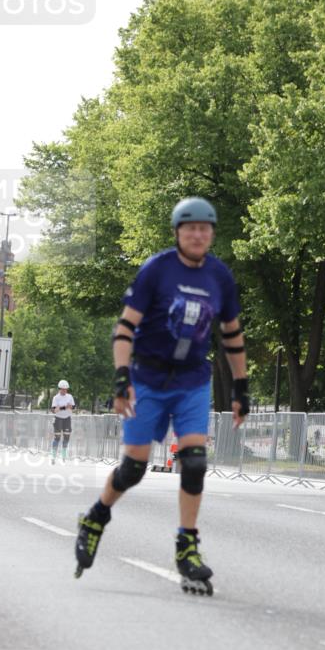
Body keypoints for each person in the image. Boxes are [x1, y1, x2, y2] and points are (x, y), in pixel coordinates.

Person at [74, 197, 249, 593]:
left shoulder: (219, 277)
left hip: (191, 380)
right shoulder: (157, 270)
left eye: (205, 228)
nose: (198, 234)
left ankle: (187, 546)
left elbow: (233, 335)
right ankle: (96, 517)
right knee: (133, 469)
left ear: (212, 233)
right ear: (177, 233)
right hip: (149, 378)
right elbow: (124, 329)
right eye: (190, 228)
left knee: (194, 463)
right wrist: (122, 378)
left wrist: (241, 387)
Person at [51, 379, 75, 464]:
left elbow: (73, 407)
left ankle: (63, 456)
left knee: (67, 437)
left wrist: (69, 407)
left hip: (67, 418)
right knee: (57, 437)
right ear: (59, 389)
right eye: (63, 389)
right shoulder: (56, 398)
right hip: (58, 418)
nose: (65, 391)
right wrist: (64, 407)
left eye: (66, 389)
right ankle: (53, 456)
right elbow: (54, 410)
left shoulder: (70, 396)